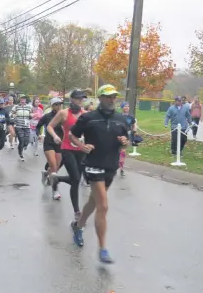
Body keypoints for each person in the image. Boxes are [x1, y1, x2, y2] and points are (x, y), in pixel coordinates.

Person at [69, 84, 129, 263]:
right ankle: (103, 249)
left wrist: (125, 141)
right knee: (103, 205)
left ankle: (78, 226)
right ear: (100, 97)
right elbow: (72, 135)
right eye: (108, 96)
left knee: (93, 202)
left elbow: (126, 140)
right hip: (93, 165)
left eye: (114, 96)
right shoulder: (88, 118)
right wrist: (82, 146)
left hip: (110, 165)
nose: (112, 100)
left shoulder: (120, 119)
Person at [47, 90, 87, 220]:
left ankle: (57, 179)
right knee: (75, 177)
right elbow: (50, 126)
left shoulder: (85, 114)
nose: (81, 101)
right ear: (72, 99)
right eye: (79, 99)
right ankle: (77, 211)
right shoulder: (63, 113)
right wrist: (55, 137)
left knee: (76, 180)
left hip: (80, 149)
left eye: (82, 99)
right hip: (67, 148)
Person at [36, 97, 64, 200]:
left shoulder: (63, 116)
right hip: (49, 143)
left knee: (56, 166)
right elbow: (39, 126)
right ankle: (55, 190)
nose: (59, 106)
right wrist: (39, 134)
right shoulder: (47, 117)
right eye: (56, 104)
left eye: (60, 104)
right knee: (53, 166)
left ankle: (46, 173)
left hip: (59, 143)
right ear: (52, 106)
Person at [11, 94, 33, 161]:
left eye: (24, 99)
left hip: (27, 126)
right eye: (21, 99)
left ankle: (22, 147)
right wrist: (13, 115)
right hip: (19, 126)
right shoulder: (16, 107)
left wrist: (31, 115)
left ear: (25, 100)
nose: (23, 100)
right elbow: (10, 114)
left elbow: (32, 113)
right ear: (19, 100)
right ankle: (20, 153)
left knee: (27, 141)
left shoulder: (29, 107)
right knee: (21, 140)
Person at [118, 102, 137, 177]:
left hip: (127, 136)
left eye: (128, 106)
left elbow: (134, 124)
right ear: (122, 108)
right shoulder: (118, 116)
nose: (127, 108)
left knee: (123, 152)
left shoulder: (130, 117)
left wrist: (134, 131)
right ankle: (116, 164)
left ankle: (121, 169)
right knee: (117, 152)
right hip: (118, 136)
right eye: (125, 106)